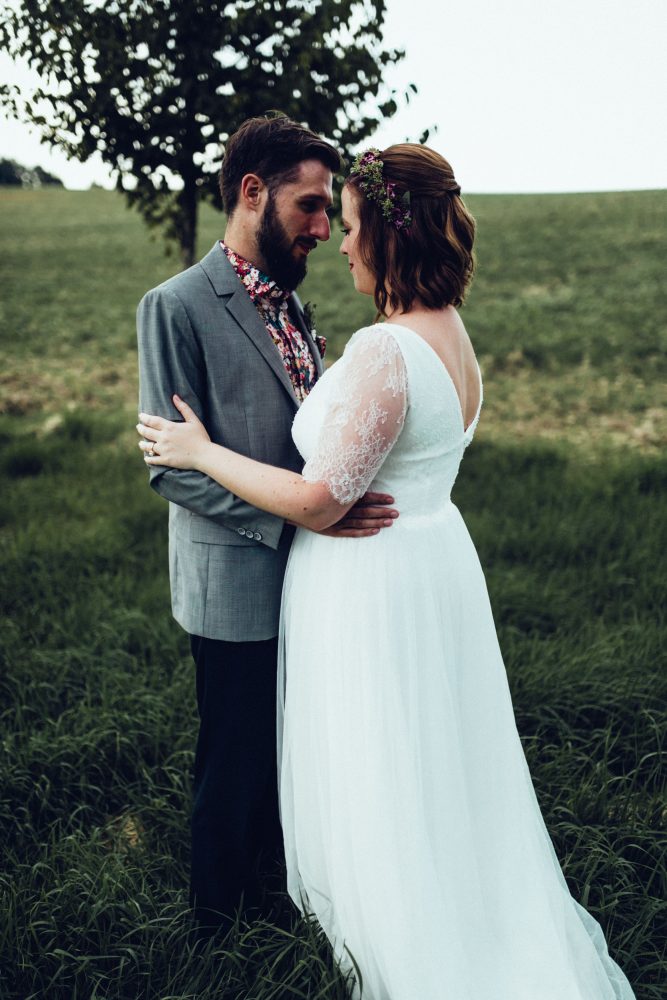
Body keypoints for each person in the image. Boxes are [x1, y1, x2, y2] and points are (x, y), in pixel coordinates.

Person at [136, 144, 636, 998]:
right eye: (324, 215)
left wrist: (204, 452)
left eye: (353, 224)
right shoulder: (453, 340)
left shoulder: (383, 348)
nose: (338, 241)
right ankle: (250, 914)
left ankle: (391, 920)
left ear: (390, 239)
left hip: (373, 580)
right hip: (425, 564)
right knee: (420, 749)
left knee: (379, 751)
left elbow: (324, 499)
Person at [135, 115, 397, 935]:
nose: (324, 228)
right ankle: (213, 926)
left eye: (328, 214)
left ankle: (279, 894)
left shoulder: (287, 302)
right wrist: (304, 520)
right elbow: (170, 463)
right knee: (235, 752)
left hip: (311, 577)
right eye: (311, 207)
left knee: (291, 743)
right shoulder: (174, 306)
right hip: (235, 578)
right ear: (253, 192)